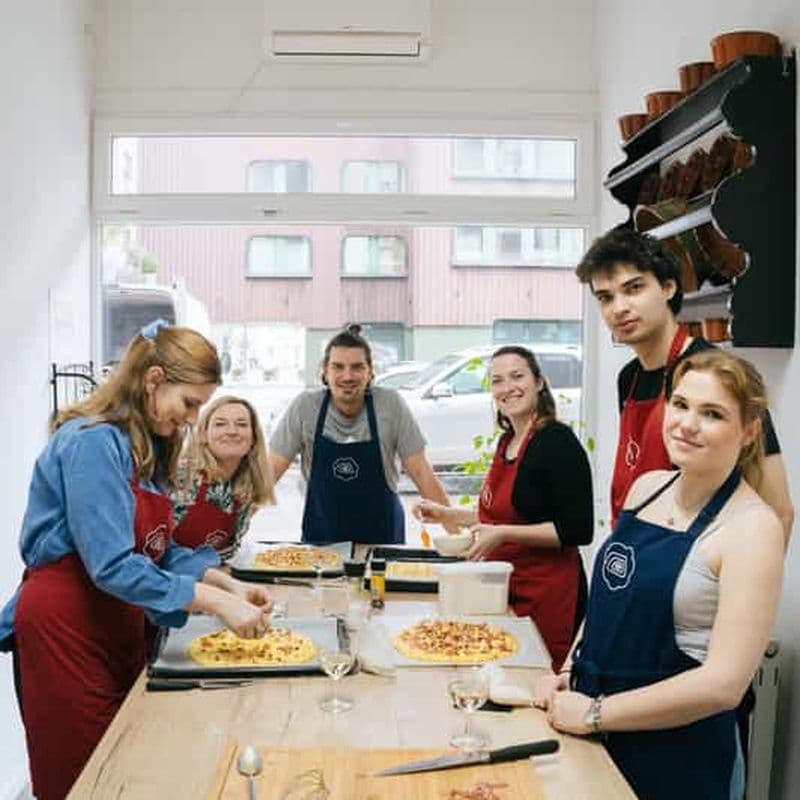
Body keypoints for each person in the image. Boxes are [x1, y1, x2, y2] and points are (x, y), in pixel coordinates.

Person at [0, 321, 274, 800]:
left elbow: (158, 548)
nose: (193, 419)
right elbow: (110, 565)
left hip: (117, 621)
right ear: (152, 380)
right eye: (189, 403)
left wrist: (225, 584)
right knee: (88, 780)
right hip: (66, 625)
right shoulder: (90, 442)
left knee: (130, 764)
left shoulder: (144, 446)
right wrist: (212, 602)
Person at [537, 350, 785, 800]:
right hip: (598, 735)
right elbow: (609, 601)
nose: (687, 424)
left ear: (749, 432)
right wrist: (571, 668)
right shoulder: (647, 488)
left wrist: (595, 712)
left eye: (712, 414)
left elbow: (722, 686)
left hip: (678, 759)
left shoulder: (752, 528)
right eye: (681, 404)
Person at [575, 227, 793, 540]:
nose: (618, 308)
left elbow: (778, 509)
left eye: (634, 288)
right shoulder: (629, 377)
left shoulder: (720, 374)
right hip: (635, 549)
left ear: (667, 287)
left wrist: (748, 582)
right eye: (605, 298)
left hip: (694, 566)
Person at [413, 346, 593, 670]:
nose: (507, 387)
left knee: (536, 684)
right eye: (497, 380)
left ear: (539, 382)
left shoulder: (556, 442)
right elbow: (498, 516)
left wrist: (502, 534)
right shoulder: (506, 441)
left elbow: (577, 529)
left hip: (547, 594)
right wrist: (447, 514)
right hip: (503, 586)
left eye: (517, 376)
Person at [269, 324, 450, 544]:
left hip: (383, 540)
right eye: (338, 367)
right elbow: (270, 473)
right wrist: (235, 530)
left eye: (357, 367)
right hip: (321, 543)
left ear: (370, 371)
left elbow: (421, 472)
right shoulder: (305, 407)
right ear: (325, 371)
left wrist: (459, 536)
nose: (347, 376)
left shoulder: (390, 405)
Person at [172, 395, 275, 560]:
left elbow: (227, 553)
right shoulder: (182, 478)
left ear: (254, 439)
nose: (232, 431)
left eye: (241, 424)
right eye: (220, 424)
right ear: (203, 435)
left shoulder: (245, 488)